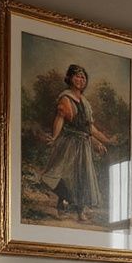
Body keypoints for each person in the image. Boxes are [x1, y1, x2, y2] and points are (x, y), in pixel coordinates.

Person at [40, 64, 117, 222]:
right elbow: (60, 118)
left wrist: (105, 141)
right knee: (64, 176)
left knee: (82, 178)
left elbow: (89, 129)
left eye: (83, 77)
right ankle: (63, 202)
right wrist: (54, 137)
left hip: (84, 145)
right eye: (77, 76)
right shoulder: (66, 98)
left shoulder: (85, 103)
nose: (80, 79)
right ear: (69, 78)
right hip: (69, 144)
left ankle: (80, 212)